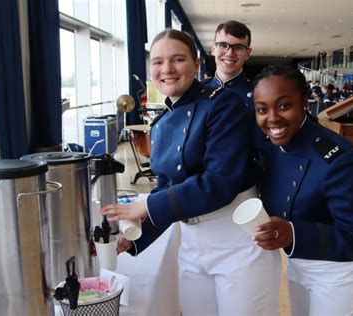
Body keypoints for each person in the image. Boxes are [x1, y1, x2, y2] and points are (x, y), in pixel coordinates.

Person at [101, 30, 281, 315]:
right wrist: (133, 238)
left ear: (196, 64)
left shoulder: (224, 104)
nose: (167, 69)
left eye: (178, 59)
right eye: (158, 62)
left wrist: (146, 204)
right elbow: (168, 188)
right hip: (192, 243)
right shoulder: (160, 123)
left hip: (237, 238)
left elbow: (220, 182)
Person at [251, 65, 353, 315]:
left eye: (284, 105)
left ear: (305, 103)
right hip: (300, 264)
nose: (272, 119)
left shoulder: (339, 158)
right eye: (262, 109)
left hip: (344, 273)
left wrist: (291, 233)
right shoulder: (270, 148)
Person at [205, 20, 253, 106]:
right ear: (213, 49)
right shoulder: (196, 91)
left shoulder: (258, 93)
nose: (230, 53)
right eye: (223, 45)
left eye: (238, 47)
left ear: (247, 53)